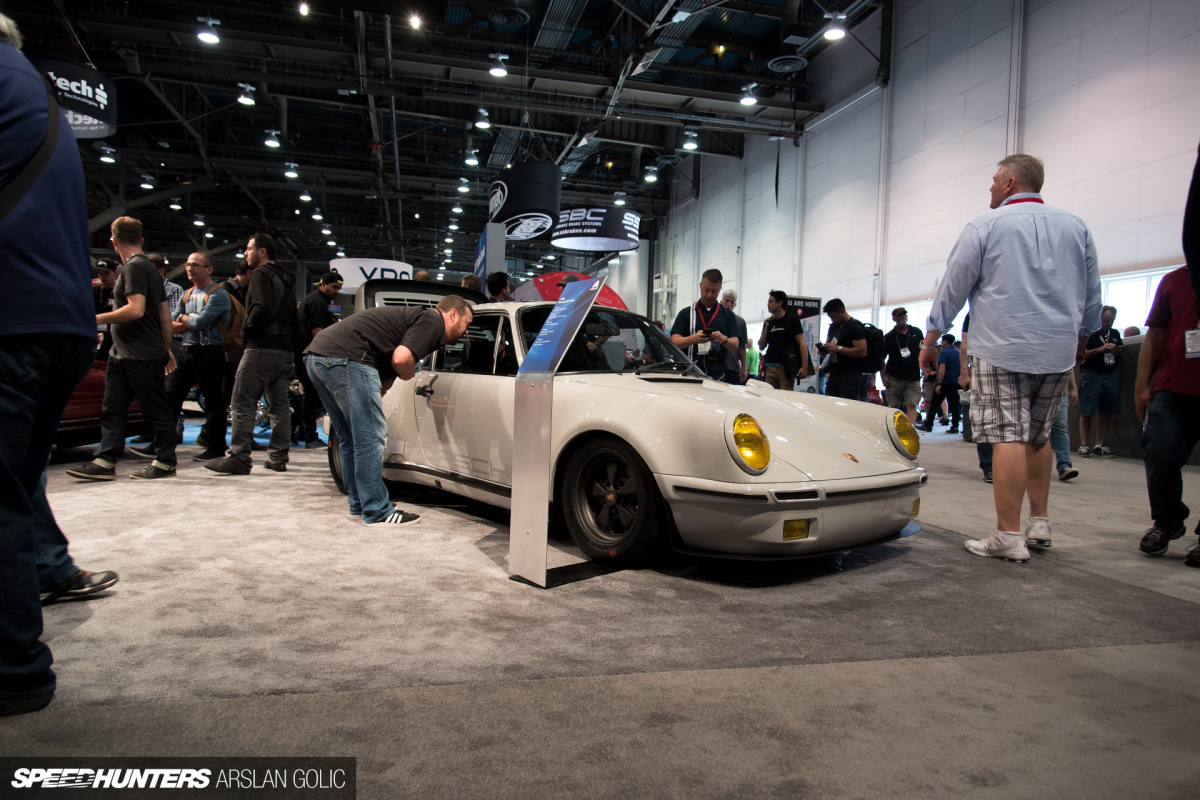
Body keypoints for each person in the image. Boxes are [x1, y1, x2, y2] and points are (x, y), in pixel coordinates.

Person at [0, 12, 120, 715]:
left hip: (13, 316)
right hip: (60, 324)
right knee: (16, 479)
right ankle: (46, 567)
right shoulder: (34, 90)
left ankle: (15, 670)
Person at [922, 154, 1101, 562]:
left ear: (1010, 182)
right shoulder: (1077, 227)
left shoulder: (985, 226)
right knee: (1039, 436)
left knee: (1007, 437)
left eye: (993, 180)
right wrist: (1082, 339)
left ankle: (1008, 536)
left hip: (1002, 346)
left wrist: (931, 338)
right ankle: (1039, 522)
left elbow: (954, 286)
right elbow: (1092, 292)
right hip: (1056, 349)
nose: (989, 187)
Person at [305, 296, 472, 525]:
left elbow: (387, 366)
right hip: (349, 358)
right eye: (467, 324)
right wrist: (407, 372)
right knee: (370, 437)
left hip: (318, 356)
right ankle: (377, 510)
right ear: (453, 314)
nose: (466, 332)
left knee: (350, 437)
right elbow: (401, 358)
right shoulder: (433, 321)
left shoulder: (415, 319)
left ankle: (360, 503)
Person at [65, 217, 178, 481]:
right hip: (125, 354)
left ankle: (165, 461)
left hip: (140, 355)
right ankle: (106, 459)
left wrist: (95, 319)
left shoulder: (134, 268)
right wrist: (168, 347)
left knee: (155, 410)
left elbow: (136, 310)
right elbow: (164, 314)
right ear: (140, 239)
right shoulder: (149, 268)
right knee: (113, 409)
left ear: (114, 242)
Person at [207, 233, 296, 475]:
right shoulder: (286, 277)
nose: (245, 253)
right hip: (284, 350)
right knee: (279, 406)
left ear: (262, 251)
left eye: (249, 249)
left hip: (262, 347)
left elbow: (260, 307)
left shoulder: (259, 274)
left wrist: (245, 333)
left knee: (241, 402)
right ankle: (278, 458)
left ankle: (239, 457)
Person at [1135, 265, 1200, 567]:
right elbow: (1156, 334)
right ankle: (1168, 521)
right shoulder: (1174, 280)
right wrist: (1141, 385)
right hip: (1173, 386)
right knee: (1159, 453)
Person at [157, 252, 231, 463]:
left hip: (209, 352)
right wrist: (188, 320)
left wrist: (184, 320)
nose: (190, 269)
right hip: (187, 352)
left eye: (196, 265)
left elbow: (201, 322)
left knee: (214, 402)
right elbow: (172, 324)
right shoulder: (187, 293)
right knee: (170, 397)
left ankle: (216, 447)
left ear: (209, 269)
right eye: (188, 265)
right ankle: (162, 446)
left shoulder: (218, 293)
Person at [296, 271, 343, 448]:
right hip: (308, 355)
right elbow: (316, 331)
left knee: (311, 397)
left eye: (339, 288)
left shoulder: (319, 301)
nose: (337, 291)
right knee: (311, 396)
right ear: (323, 284)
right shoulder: (316, 302)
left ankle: (302, 432)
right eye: (334, 287)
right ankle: (309, 437)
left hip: (308, 354)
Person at [670, 269, 740, 381]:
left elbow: (735, 344)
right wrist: (694, 339)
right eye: (706, 290)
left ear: (720, 290)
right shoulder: (686, 314)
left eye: (714, 291)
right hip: (690, 374)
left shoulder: (728, 315)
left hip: (718, 376)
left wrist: (723, 339)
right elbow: (674, 342)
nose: (709, 295)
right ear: (700, 286)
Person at [1077, 305, 1123, 458]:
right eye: (1106, 320)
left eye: (1111, 321)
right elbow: (1082, 355)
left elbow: (1121, 353)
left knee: (1106, 411)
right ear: (1099, 319)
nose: (1108, 324)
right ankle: (1084, 444)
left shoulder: (1114, 333)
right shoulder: (1089, 334)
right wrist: (1101, 349)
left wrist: (1116, 352)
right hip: (1091, 375)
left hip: (1110, 374)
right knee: (1087, 411)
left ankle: (1099, 444)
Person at [758, 290, 809, 389]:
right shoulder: (769, 322)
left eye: (771, 301)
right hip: (770, 367)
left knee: (784, 398)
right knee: (770, 398)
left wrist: (804, 366)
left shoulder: (792, 320)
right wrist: (766, 328)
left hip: (786, 368)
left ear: (780, 303)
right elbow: (761, 345)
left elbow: (802, 343)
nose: (768, 304)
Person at [819, 298, 867, 400]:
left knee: (846, 405)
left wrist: (838, 348)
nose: (832, 319)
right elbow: (829, 344)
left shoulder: (854, 326)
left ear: (842, 311)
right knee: (829, 403)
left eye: (833, 316)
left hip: (850, 375)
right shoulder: (833, 326)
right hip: (834, 373)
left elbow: (862, 351)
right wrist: (825, 350)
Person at [882, 307, 923, 423]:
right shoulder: (889, 336)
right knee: (893, 407)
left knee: (912, 404)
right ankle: (892, 431)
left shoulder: (916, 332)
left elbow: (923, 351)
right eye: (899, 315)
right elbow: (882, 358)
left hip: (913, 376)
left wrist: (926, 367)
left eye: (904, 314)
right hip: (895, 377)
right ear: (894, 318)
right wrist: (883, 376)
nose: (902, 317)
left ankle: (911, 432)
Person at [1051, 371, 1080, 481]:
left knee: (1060, 427)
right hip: (1038, 383)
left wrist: (1073, 388)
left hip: (1061, 387)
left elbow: (1069, 363)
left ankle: (1064, 466)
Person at [720, 290, 749, 385]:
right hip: (717, 366)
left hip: (732, 368)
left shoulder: (740, 322)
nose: (729, 304)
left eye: (732, 302)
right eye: (727, 300)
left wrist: (744, 368)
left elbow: (742, 347)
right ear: (721, 301)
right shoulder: (714, 318)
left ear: (735, 305)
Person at [935, 333, 962, 434]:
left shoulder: (944, 352)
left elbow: (942, 369)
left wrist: (939, 383)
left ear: (945, 341)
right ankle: (955, 426)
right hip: (956, 382)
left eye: (942, 341)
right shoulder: (958, 352)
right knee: (955, 405)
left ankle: (928, 423)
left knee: (934, 403)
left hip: (945, 382)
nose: (941, 343)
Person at [92, 258, 119, 360]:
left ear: (115, 273)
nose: (102, 277)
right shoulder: (94, 291)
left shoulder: (122, 293)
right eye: (99, 273)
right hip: (94, 335)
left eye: (106, 273)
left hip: (113, 338)